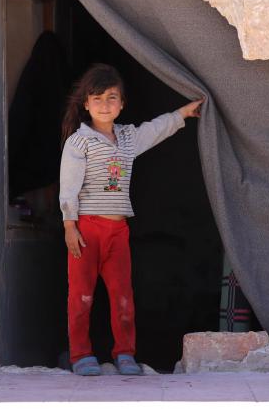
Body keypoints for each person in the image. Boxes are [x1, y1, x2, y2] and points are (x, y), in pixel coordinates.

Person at [59, 63, 203, 376]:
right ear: (85, 104)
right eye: (96, 98)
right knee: (81, 295)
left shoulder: (127, 139)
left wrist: (183, 114)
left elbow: (155, 129)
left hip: (118, 231)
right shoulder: (79, 143)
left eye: (112, 98)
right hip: (86, 229)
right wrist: (69, 226)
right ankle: (81, 355)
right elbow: (68, 187)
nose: (104, 105)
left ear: (122, 104)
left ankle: (125, 353)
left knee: (122, 295)